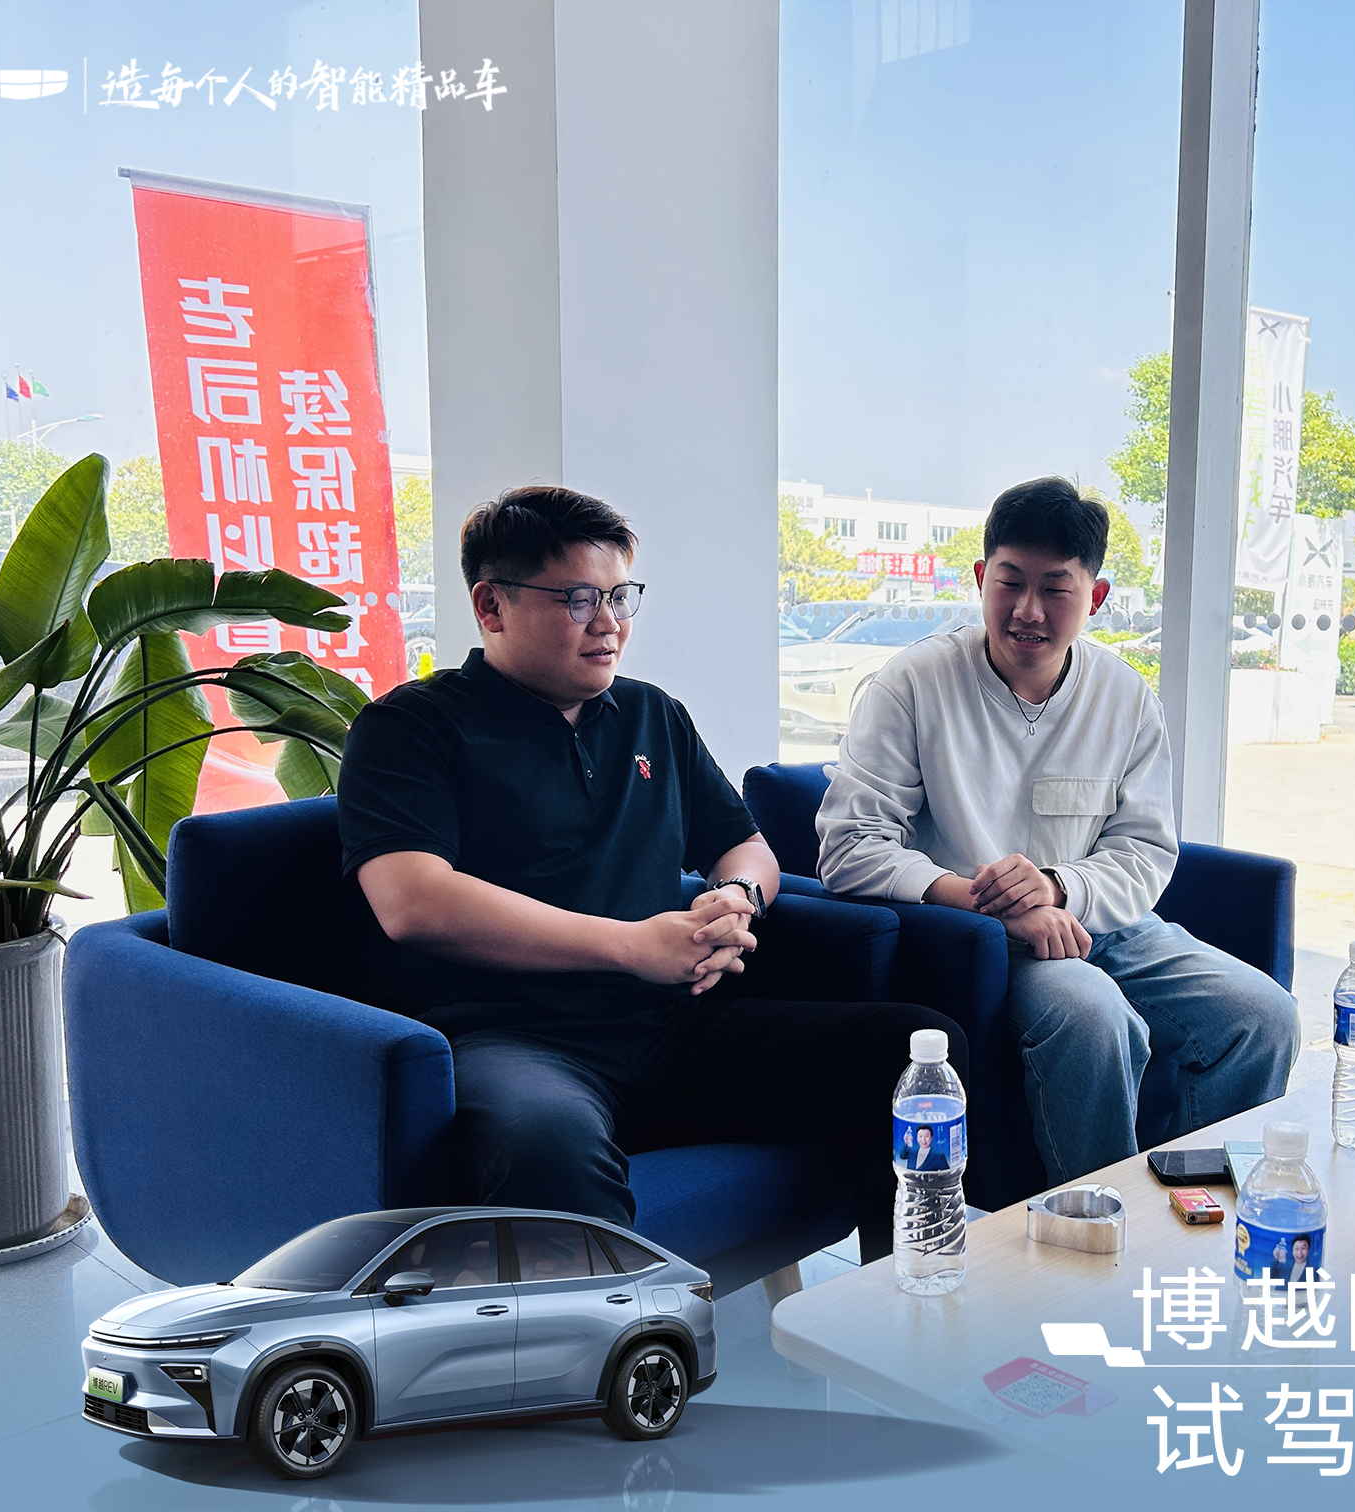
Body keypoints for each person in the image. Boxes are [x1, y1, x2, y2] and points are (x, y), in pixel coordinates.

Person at [337, 485, 965, 1264]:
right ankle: (624, 1344)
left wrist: (735, 901)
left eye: (619, 596)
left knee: (917, 1054)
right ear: (490, 605)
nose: (608, 623)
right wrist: (633, 946)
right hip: (510, 1041)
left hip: (668, 1030)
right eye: (577, 600)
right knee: (547, 1145)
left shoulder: (651, 716)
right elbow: (411, 900)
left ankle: (907, 1302)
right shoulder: (411, 727)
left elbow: (747, 847)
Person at [816, 476, 1298, 1187]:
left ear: (1095, 597)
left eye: (1055, 589)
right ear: (980, 578)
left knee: (1265, 1017)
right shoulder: (912, 684)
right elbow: (848, 847)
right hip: (980, 943)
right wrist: (988, 903)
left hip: (1108, 925)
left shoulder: (1124, 696)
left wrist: (1055, 887)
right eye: (1010, 583)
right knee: (1094, 1018)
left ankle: (1186, 1200)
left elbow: (1144, 848)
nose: (1027, 611)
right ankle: (1096, 1219)